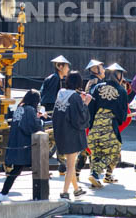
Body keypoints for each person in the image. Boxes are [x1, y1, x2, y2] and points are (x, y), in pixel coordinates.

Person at [87, 63, 127, 188]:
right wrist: (118, 120)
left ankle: (96, 178)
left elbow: (91, 108)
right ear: (119, 75)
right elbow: (122, 114)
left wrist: (91, 124)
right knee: (115, 151)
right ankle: (95, 172)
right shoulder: (121, 91)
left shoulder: (97, 87)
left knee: (96, 153)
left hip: (95, 125)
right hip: (109, 126)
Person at [0, 89, 43, 200]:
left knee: (16, 169)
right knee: (31, 168)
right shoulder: (30, 110)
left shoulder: (20, 108)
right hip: (24, 144)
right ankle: (3, 193)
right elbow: (34, 126)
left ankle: (3, 193)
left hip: (15, 141)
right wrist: (40, 120)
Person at [53, 71, 90, 199]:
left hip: (60, 131)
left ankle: (76, 189)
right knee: (70, 166)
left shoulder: (60, 93)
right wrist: (85, 103)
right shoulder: (75, 97)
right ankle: (64, 192)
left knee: (70, 163)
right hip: (72, 134)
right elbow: (79, 118)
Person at [40, 56, 70, 173]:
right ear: (60, 66)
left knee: (56, 140)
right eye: (66, 67)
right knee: (53, 140)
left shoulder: (55, 78)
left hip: (51, 112)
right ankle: (57, 165)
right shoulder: (54, 78)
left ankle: (61, 165)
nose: (68, 69)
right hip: (51, 113)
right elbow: (49, 98)